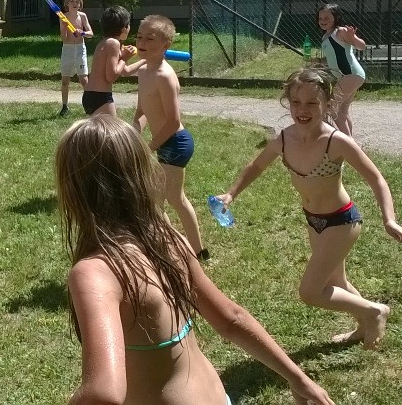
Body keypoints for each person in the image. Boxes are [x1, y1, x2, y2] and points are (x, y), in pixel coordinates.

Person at [56, 115, 335, 405]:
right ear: (141, 174)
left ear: (73, 187)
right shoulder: (165, 239)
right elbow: (231, 319)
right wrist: (298, 378)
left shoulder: (95, 273)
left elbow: (103, 392)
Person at [216, 67, 402, 350]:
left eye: (312, 102)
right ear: (287, 102)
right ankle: (363, 324)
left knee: (310, 292)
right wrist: (231, 194)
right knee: (338, 282)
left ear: (327, 104)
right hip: (314, 221)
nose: (303, 109)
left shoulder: (336, 142)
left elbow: (376, 179)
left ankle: (375, 311)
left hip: (341, 222)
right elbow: (256, 166)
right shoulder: (284, 139)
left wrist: (389, 220)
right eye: (296, 102)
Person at [131, 15, 207, 261]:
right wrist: (135, 130)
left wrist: (150, 146)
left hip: (175, 143)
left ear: (166, 44)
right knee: (174, 198)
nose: (142, 42)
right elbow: (143, 110)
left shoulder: (164, 76)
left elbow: (173, 121)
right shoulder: (144, 71)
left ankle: (176, 251)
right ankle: (195, 251)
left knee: (156, 202)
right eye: (139, 36)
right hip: (163, 143)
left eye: (150, 38)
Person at [317, 3, 366, 136]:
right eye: (320, 18)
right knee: (343, 111)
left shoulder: (341, 32)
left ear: (336, 17)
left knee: (332, 109)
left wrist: (353, 38)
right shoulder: (326, 37)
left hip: (350, 75)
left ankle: (346, 142)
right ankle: (350, 141)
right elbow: (331, 59)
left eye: (327, 18)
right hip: (348, 77)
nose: (323, 21)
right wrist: (317, 62)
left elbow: (362, 46)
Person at [81, 5, 138, 116]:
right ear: (124, 28)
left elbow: (125, 71)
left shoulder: (105, 42)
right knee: (113, 127)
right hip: (100, 96)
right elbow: (110, 77)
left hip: (91, 94)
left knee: (100, 128)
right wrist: (124, 58)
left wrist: (146, 60)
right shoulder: (113, 43)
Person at [58, 0, 93, 117]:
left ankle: (90, 105)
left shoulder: (82, 16)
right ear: (67, 3)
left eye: (77, 1)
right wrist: (65, 27)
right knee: (65, 80)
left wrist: (82, 32)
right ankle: (64, 106)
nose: (75, 4)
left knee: (84, 79)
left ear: (80, 4)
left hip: (80, 49)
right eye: (72, 1)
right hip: (67, 49)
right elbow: (63, 38)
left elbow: (91, 33)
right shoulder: (63, 17)